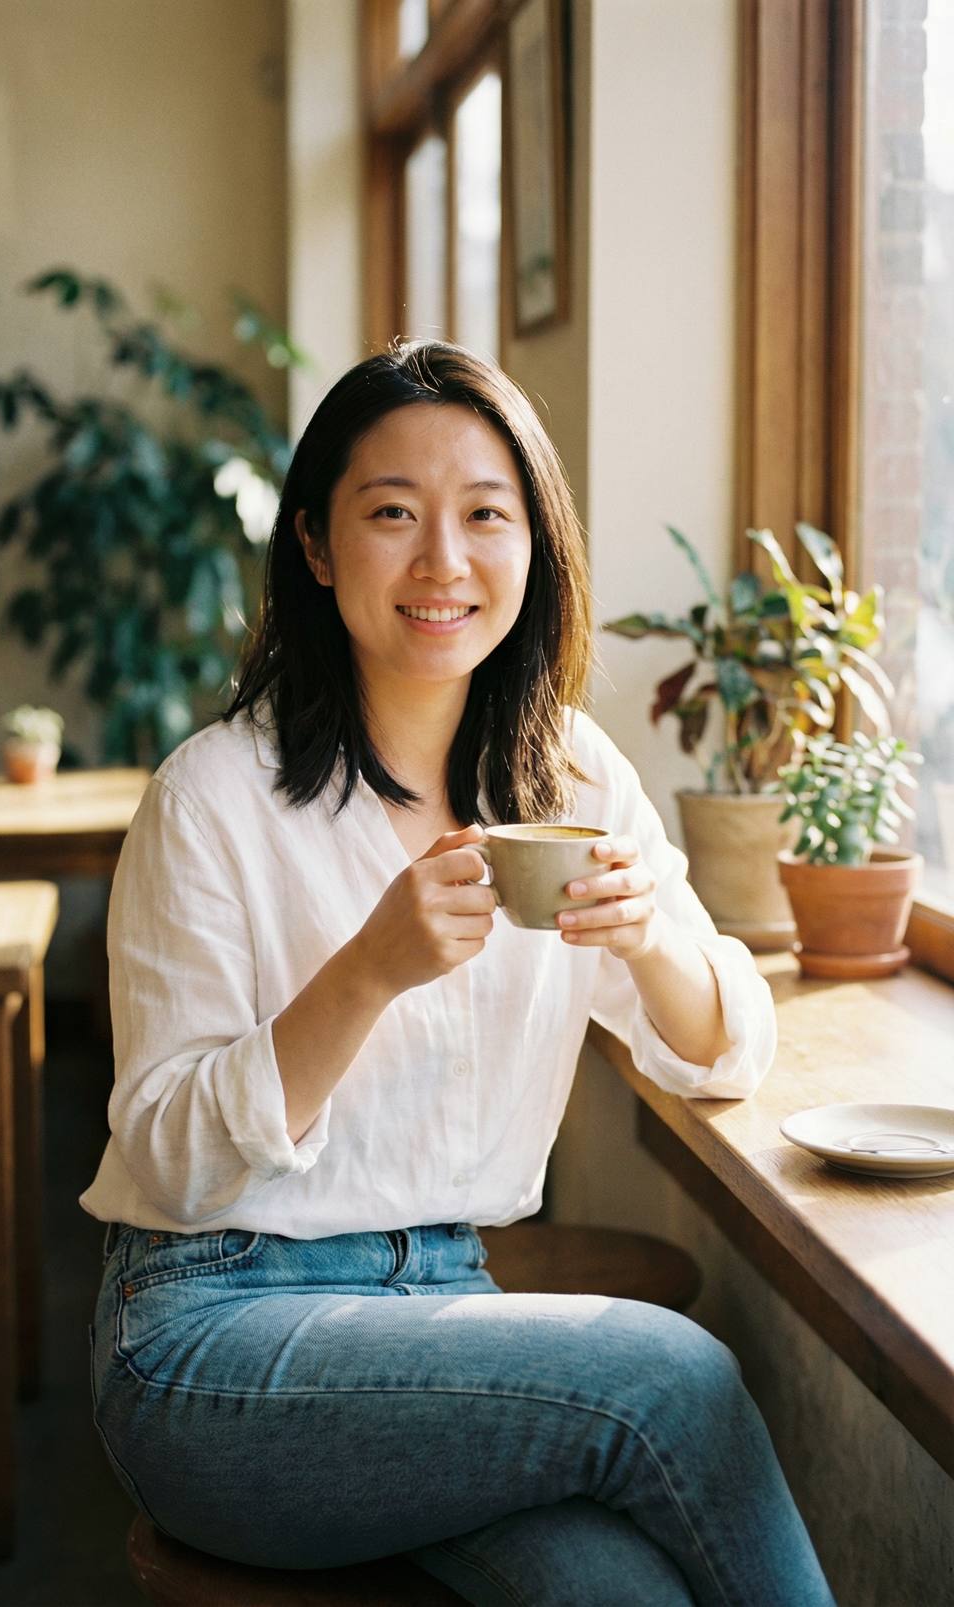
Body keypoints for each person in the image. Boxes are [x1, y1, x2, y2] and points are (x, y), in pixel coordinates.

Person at [81, 342, 836, 1606]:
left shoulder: (569, 776)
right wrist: (367, 971)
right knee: (677, 1376)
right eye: (392, 514)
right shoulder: (212, 797)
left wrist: (648, 933)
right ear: (317, 547)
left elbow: (726, 1047)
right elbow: (164, 1158)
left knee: (612, 1590)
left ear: (534, 544)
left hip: (442, 1305)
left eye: (487, 515)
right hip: (209, 1338)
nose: (444, 560)